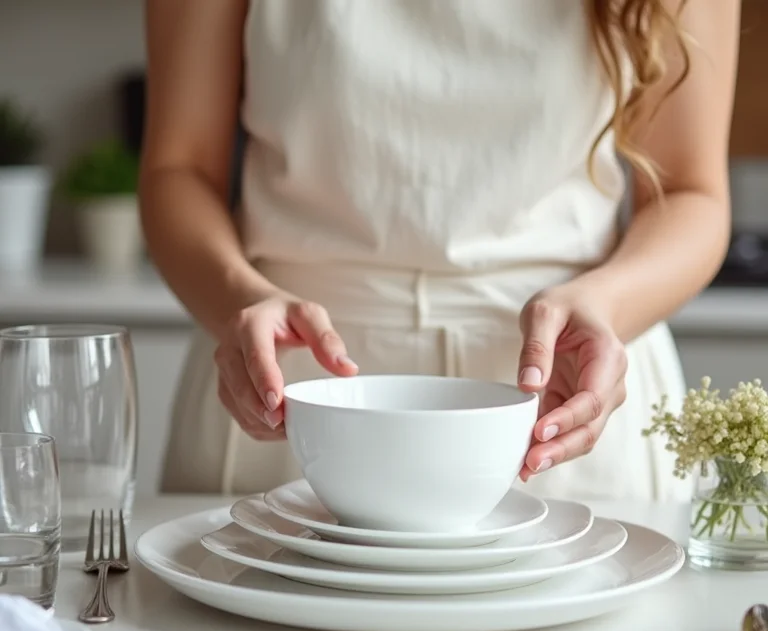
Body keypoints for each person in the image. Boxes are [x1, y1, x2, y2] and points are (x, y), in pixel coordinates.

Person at [140, 0, 739, 501]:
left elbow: (691, 192)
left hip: (567, 404)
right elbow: (178, 167)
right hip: (287, 402)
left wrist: (608, 303)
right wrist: (237, 298)